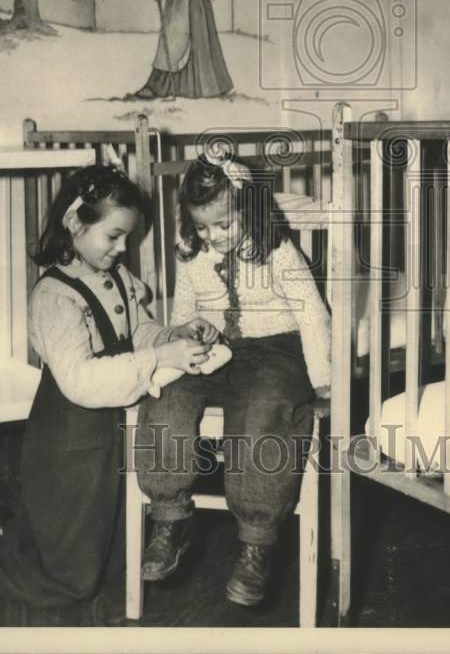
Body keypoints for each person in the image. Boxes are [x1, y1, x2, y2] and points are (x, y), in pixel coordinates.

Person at [0, 165, 212, 612]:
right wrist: (161, 359)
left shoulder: (118, 277)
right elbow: (81, 381)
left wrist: (171, 337)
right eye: (114, 236)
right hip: (69, 443)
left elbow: (137, 330)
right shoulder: (54, 296)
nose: (123, 248)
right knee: (73, 582)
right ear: (73, 222)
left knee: (113, 558)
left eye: (127, 237)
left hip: (110, 435)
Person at [134, 154, 331, 607]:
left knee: (266, 408)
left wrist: (323, 379)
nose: (213, 236)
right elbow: (184, 313)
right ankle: (168, 519)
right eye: (202, 227)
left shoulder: (278, 251)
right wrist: (187, 336)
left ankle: (256, 542)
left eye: (224, 224)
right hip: (217, 350)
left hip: (276, 350)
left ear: (251, 210)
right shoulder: (192, 255)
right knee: (167, 395)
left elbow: (312, 314)